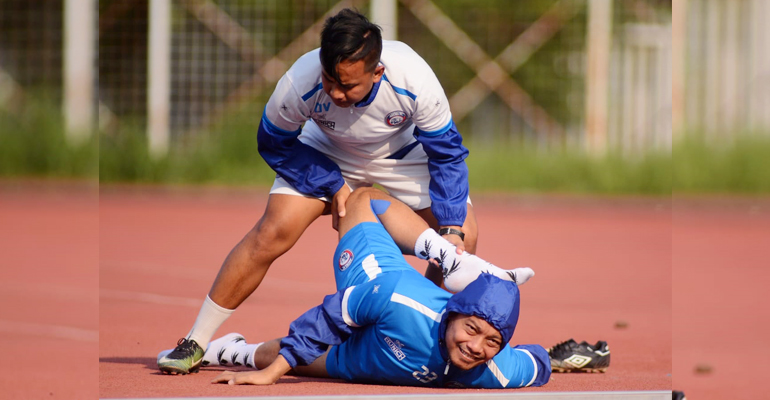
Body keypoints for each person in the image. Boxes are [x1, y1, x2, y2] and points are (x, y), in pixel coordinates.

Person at [158, 8, 502, 374]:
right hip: (327, 155)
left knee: (465, 235)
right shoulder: (299, 82)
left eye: (348, 85)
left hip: (404, 157)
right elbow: (275, 144)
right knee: (274, 229)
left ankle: (419, 329)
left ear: (378, 72)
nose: (336, 92)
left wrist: (450, 228)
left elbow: (446, 155)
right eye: (329, 80)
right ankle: (196, 340)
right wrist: (332, 183)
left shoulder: (415, 79)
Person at [199, 187, 550, 388]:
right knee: (362, 199)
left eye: (492, 342)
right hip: (375, 281)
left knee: (287, 358)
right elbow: (329, 317)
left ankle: (234, 350)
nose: (476, 347)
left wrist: (537, 357)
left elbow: (538, 361)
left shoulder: (499, 370)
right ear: (453, 312)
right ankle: (445, 253)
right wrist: (269, 377)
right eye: (472, 330)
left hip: (361, 360)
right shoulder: (398, 298)